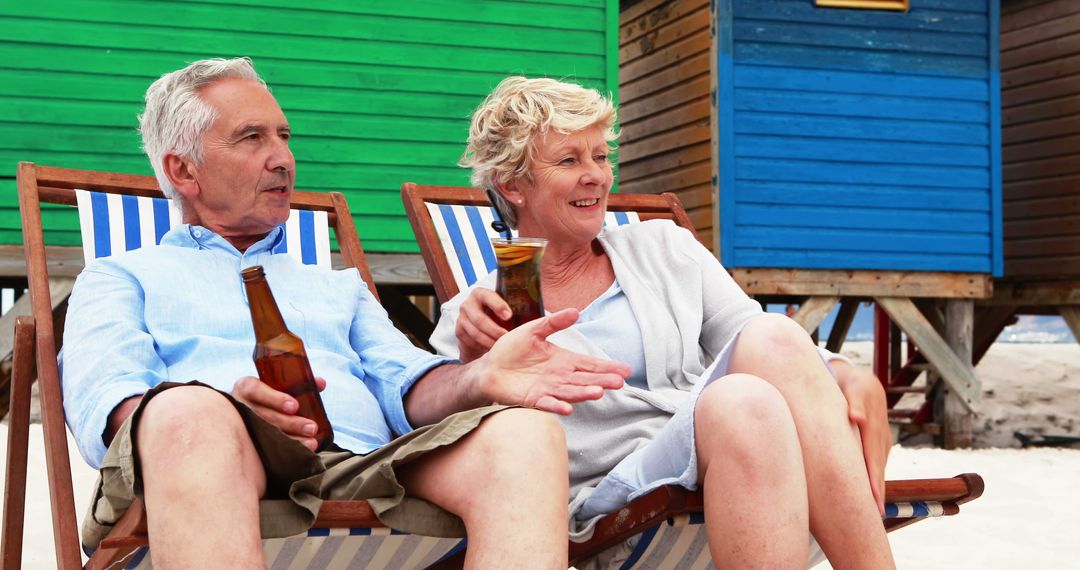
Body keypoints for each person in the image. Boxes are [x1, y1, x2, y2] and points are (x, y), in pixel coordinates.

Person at [60, 58, 631, 569]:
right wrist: (224, 416)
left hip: (360, 464)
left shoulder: (336, 287)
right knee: (186, 413)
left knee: (524, 434)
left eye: (283, 136)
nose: (282, 158)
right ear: (184, 172)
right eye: (251, 138)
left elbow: (405, 386)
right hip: (205, 461)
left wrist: (480, 376)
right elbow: (106, 402)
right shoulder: (121, 276)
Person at [431, 76, 896, 568]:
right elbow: (454, 444)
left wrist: (847, 373)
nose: (596, 176)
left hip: (730, 447)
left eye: (600, 156)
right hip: (612, 491)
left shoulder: (662, 247)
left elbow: (759, 343)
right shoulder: (477, 315)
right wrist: (474, 364)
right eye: (569, 160)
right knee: (743, 401)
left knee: (769, 343)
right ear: (512, 185)